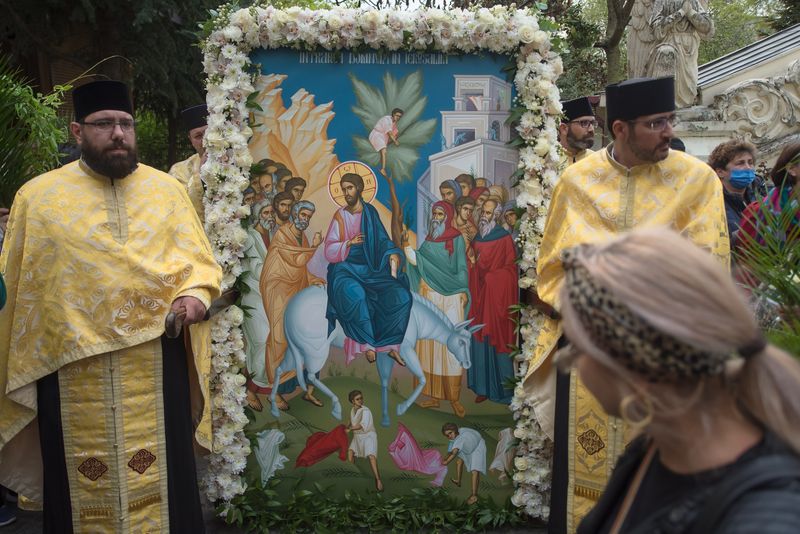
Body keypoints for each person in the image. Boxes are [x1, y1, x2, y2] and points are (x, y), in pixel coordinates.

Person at [0, 80, 222, 532]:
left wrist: (196, 296)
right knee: (78, 482)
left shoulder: (167, 191)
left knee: (165, 478)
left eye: (126, 123)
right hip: (69, 366)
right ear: (78, 131)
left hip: (156, 359)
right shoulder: (38, 199)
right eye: (104, 124)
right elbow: (20, 288)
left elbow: (199, 263)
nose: (118, 133)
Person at [525, 76, 730, 533]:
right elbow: (553, 267)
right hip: (590, 350)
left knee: (658, 477)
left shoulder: (696, 180)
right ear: (620, 128)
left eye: (670, 120)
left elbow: (707, 265)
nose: (668, 132)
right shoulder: (576, 181)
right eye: (656, 123)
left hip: (664, 352)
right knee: (583, 477)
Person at [551, 228, 800, 533]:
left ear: (636, 368)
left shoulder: (766, 516)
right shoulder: (654, 447)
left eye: (577, 349)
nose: (571, 365)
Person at [323, 172, 411, 367]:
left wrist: (392, 253)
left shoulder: (370, 212)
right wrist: (348, 243)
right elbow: (329, 249)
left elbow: (382, 240)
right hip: (345, 269)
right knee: (358, 295)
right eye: (343, 189)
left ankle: (391, 345)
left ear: (359, 189)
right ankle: (367, 344)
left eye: (350, 188)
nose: (346, 192)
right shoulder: (340, 216)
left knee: (401, 295)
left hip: (371, 267)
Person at [405, 201, 470, 417]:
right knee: (429, 349)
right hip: (431, 297)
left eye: (440, 214)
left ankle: (454, 399)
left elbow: (462, 267)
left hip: (450, 299)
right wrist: (406, 247)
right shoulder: (429, 241)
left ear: (447, 216)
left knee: (450, 351)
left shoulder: (456, 239)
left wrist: (462, 289)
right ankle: (433, 396)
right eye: (434, 213)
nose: (436, 217)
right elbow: (418, 263)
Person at [260, 200, 324, 410]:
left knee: (301, 335)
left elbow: (300, 268)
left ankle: (300, 386)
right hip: (278, 289)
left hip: (294, 288)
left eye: (308, 217)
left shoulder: (301, 236)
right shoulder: (282, 234)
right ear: (295, 214)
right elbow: (295, 260)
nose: (305, 220)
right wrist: (314, 246)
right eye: (303, 215)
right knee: (280, 338)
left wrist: (312, 278)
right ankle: (275, 392)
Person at [467, 198, 518, 405]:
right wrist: (473, 265)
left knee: (497, 341)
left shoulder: (504, 238)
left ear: (496, 216)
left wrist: (493, 279)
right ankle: (483, 388)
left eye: (488, 213)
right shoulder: (477, 239)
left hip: (497, 300)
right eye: (483, 212)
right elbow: (473, 265)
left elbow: (511, 270)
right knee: (479, 339)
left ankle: (504, 392)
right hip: (480, 298)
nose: (484, 216)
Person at [708, 139, 760, 248]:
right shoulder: (711, 203)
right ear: (720, 172)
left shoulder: (761, 196)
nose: (748, 167)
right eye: (740, 163)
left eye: (750, 162)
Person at [168, 104, 207, 221]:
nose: (205, 141)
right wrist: (201, 174)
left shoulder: (238, 159)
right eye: (198, 136)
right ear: (191, 140)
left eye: (209, 132)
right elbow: (179, 209)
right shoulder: (178, 170)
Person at [441, 423, 487, 505]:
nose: (449, 436)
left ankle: (474, 495)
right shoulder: (455, 437)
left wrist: (446, 462)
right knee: (459, 461)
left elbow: (454, 453)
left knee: (475, 471)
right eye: (447, 435)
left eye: (450, 433)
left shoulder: (460, 439)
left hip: (478, 446)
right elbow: (450, 451)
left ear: (455, 430)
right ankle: (458, 481)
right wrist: (444, 458)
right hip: (468, 446)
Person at [346, 390, 383, 491]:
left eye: (361, 398)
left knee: (371, 456)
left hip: (368, 436)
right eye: (357, 399)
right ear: (353, 401)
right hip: (358, 437)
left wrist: (350, 429)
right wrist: (346, 426)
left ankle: (378, 479)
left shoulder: (365, 411)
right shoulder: (352, 409)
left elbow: (361, 425)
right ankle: (353, 473)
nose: (360, 400)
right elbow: (351, 419)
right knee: (350, 452)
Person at [559, 97, 596, 166]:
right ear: (564, 128)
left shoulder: (597, 161)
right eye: (584, 122)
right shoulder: (547, 161)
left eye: (592, 123)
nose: (591, 129)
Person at [369, 108, 403, 177]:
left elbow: (394, 132)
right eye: (397, 115)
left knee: (395, 135)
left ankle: (383, 165)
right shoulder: (387, 119)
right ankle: (383, 169)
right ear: (393, 114)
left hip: (383, 137)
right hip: (376, 135)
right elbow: (389, 133)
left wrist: (395, 136)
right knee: (384, 150)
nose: (398, 118)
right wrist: (395, 141)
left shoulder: (394, 123)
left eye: (400, 116)